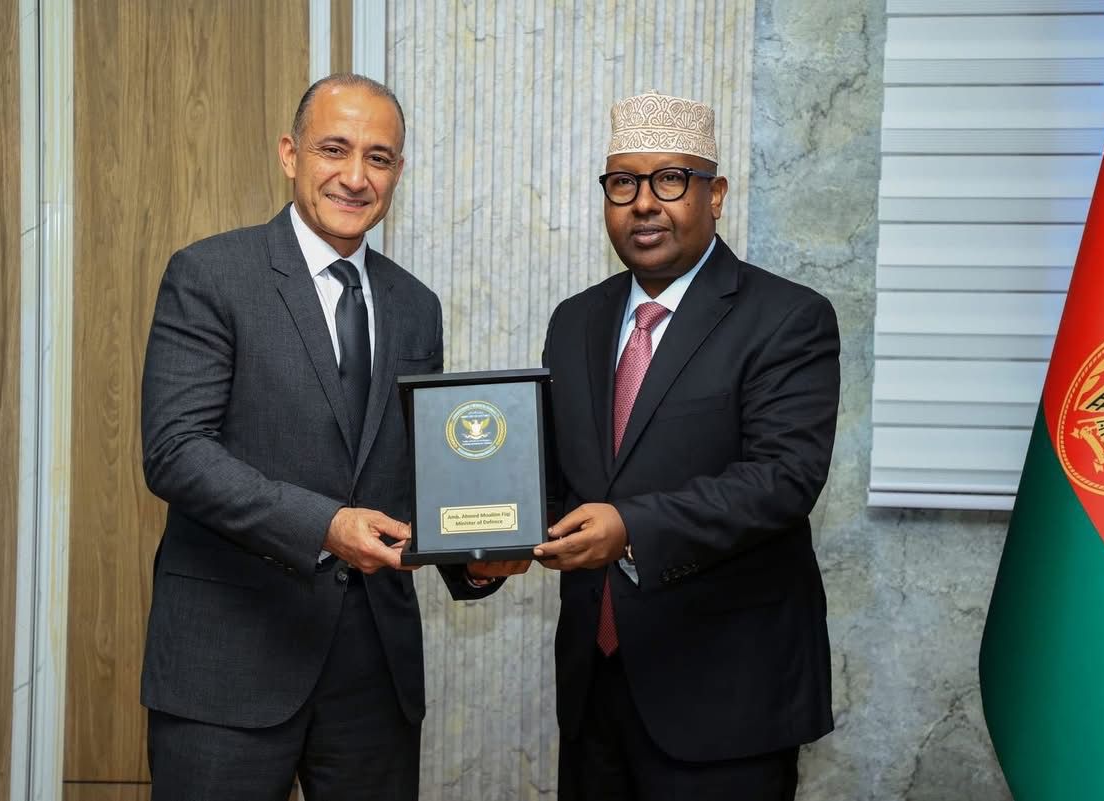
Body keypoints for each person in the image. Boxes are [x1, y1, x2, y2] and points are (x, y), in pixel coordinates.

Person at [139, 73, 522, 801]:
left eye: (379, 158)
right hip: (229, 662)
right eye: (334, 149)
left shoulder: (415, 305)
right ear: (290, 153)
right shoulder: (211, 275)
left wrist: (476, 558)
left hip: (372, 675)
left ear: (398, 173)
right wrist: (326, 525)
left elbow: (415, 471)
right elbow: (176, 452)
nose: (355, 177)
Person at [535, 92, 840, 801]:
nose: (644, 203)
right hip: (594, 692)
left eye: (670, 180)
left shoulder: (786, 318)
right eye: (623, 183)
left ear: (716, 194)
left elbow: (783, 479)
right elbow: (556, 478)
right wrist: (487, 543)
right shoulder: (574, 321)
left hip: (726, 699)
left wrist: (630, 528)